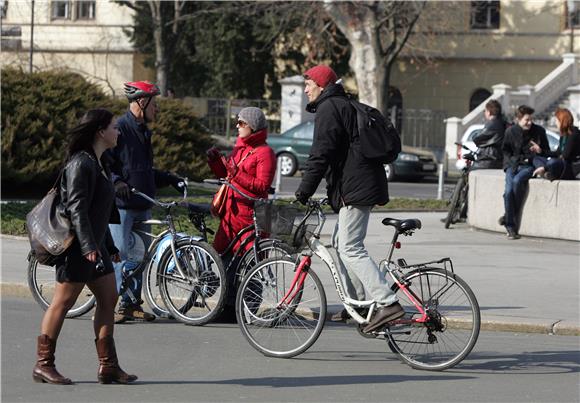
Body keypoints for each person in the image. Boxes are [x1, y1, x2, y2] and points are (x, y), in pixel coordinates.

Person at [294, 64, 404, 333]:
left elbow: (321, 153)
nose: (306, 90)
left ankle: (387, 303)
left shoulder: (330, 107)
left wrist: (304, 191)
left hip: (357, 188)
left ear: (320, 84)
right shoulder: (340, 104)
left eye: (308, 84)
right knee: (339, 243)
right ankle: (361, 304)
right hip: (355, 186)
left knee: (351, 247)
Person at [33, 109, 137, 385]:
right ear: (100, 132)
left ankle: (108, 367)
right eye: (115, 127)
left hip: (95, 243)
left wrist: (110, 244)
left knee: (108, 298)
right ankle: (43, 365)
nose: (119, 131)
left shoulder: (100, 162)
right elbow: (77, 209)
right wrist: (89, 245)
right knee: (63, 302)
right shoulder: (81, 163)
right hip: (78, 246)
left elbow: (100, 211)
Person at [107, 81, 184, 323]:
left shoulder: (142, 131)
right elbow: (106, 163)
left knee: (139, 257)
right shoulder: (120, 128)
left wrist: (169, 178)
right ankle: (111, 305)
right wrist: (117, 181)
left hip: (142, 202)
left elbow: (143, 170)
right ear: (142, 101)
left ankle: (130, 304)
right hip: (122, 205)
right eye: (154, 103)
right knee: (119, 255)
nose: (157, 108)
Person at [206, 107, 276, 316]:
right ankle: (227, 308)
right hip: (232, 214)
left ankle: (249, 310)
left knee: (250, 264)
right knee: (225, 262)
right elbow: (226, 177)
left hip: (251, 217)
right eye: (237, 122)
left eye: (241, 123)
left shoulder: (265, 152)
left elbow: (262, 186)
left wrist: (235, 172)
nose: (237, 126)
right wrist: (216, 161)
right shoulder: (240, 148)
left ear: (252, 126)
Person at [501, 105, 550, 240]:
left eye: (530, 119)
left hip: (529, 166)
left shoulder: (539, 131)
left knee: (517, 182)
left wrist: (540, 150)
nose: (529, 123)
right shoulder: (510, 132)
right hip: (512, 165)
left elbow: (546, 152)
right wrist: (508, 166)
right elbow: (505, 151)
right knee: (508, 192)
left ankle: (509, 223)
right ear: (518, 119)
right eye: (526, 120)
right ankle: (509, 219)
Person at [532, 108, 580, 180]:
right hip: (560, 164)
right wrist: (541, 151)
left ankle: (547, 172)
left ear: (562, 121)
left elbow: (565, 155)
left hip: (569, 167)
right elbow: (557, 153)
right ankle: (548, 173)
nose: (556, 123)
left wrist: (545, 167)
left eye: (557, 121)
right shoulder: (564, 135)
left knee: (552, 162)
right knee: (536, 159)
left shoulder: (574, 134)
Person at [472, 99, 506, 169]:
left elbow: (477, 139)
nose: (484, 113)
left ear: (489, 112)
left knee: (470, 172)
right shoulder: (503, 122)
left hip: (489, 159)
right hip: (499, 158)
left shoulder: (492, 124)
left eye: (485, 111)